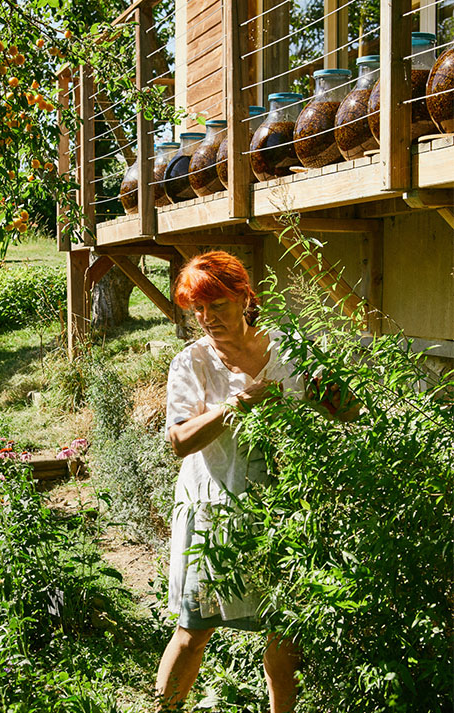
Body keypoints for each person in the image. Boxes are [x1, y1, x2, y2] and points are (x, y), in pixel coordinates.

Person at [155, 250, 303, 712]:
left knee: (285, 630)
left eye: (215, 305)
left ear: (243, 296)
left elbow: (345, 406)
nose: (205, 318)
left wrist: (330, 393)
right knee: (194, 629)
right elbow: (179, 440)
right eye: (196, 309)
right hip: (215, 513)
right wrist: (238, 404)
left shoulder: (286, 348)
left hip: (284, 511)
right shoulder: (192, 364)